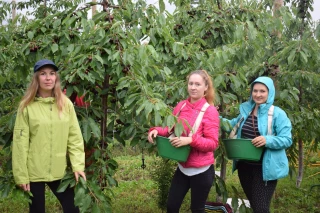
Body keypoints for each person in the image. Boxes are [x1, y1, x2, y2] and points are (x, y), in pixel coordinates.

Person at [12, 59, 86, 213]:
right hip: (34, 171)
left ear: (56, 78)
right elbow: (20, 143)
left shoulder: (65, 104)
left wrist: (78, 165)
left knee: (73, 209)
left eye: (52, 74)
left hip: (59, 169)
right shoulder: (26, 107)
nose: (48, 78)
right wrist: (21, 175)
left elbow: (75, 138)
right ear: (36, 79)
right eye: (43, 74)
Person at [148, 70, 220, 213]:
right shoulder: (181, 106)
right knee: (172, 206)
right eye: (191, 83)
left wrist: (190, 140)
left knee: (197, 209)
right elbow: (170, 128)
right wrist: (156, 130)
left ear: (206, 87)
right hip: (183, 168)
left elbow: (212, 143)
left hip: (202, 171)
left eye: (198, 84)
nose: (193, 87)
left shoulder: (210, 111)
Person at [222, 76, 292, 213]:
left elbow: (287, 139)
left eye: (262, 91)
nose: (258, 95)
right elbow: (231, 125)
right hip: (245, 167)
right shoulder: (246, 110)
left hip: (265, 169)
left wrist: (268, 140)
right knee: (255, 205)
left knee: (261, 208)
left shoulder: (277, 114)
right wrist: (213, 117)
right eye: (255, 91)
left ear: (269, 92)